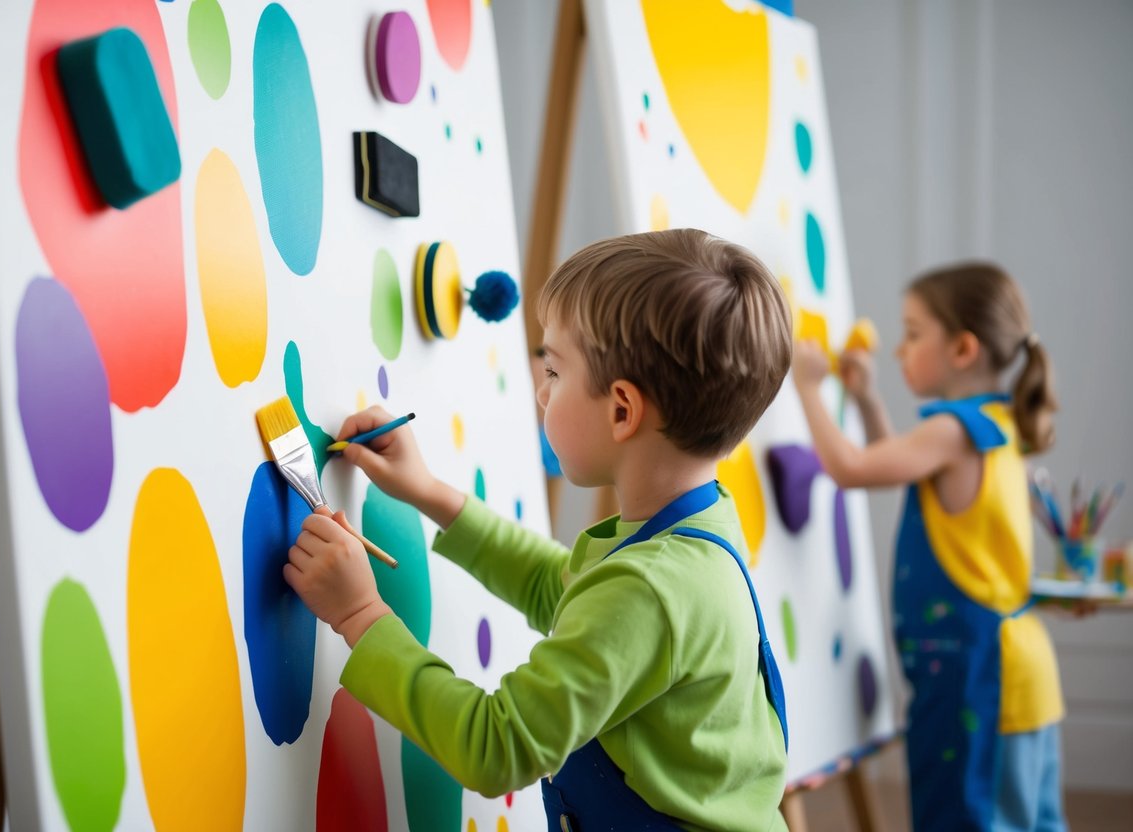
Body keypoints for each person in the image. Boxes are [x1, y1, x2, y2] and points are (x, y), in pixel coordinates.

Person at [285, 229, 792, 830]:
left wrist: (359, 616)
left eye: (553, 369)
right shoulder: (698, 525)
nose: (540, 389)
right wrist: (429, 491)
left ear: (622, 411)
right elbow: (566, 588)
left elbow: (494, 748)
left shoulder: (650, 591)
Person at [792, 262, 1065, 831]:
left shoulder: (952, 430)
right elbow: (894, 465)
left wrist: (808, 389)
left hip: (980, 671)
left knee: (966, 816)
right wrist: (866, 402)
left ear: (963, 349)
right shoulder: (994, 423)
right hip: (1017, 664)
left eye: (913, 334)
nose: (899, 350)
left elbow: (852, 469)